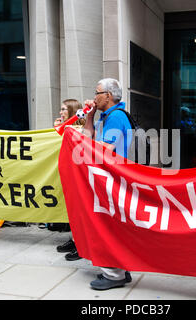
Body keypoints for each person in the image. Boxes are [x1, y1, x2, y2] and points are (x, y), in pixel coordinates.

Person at [82, 78, 132, 290]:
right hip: (111, 178)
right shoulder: (108, 116)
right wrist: (90, 117)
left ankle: (113, 275)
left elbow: (102, 149)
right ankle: (121, 270)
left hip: (113, 179)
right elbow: (88, 136)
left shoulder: (115, 117)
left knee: (109, 227)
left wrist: (78, 142)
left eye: (97, 92)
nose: (94, 97)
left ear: (108, 96)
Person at [54, 99, 85, 261]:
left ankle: (81, 245)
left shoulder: (78, 127)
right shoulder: (71, 126)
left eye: (64, 109)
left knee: (79, 211)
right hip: (69, 173)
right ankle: (75, 240)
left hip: (77, 174)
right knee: (72, 210)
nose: (61, 112)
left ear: (73, 111)